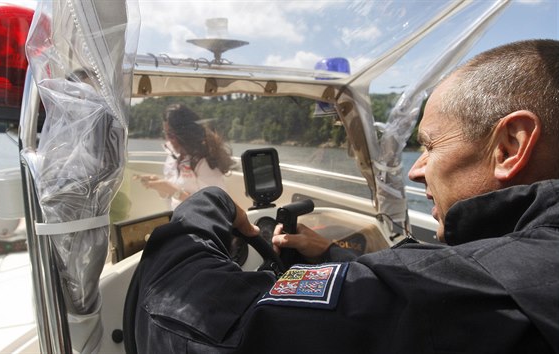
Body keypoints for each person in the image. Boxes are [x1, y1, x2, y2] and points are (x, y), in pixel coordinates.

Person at [132, 40, 559, 353]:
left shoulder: (459, 295)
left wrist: (210, 203)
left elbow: (191, 325)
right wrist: (336, 256)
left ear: (509, 147)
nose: (416, 168)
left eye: (429, 146)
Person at [134, 103, 234, 209]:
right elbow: (170, 199)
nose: (168, 139)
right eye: (166, 134)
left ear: (185, 134)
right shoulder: (173, 159)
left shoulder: (206, 163)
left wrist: (175, 191)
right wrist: (159, 186)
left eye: (171, 134)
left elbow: (215, 208)